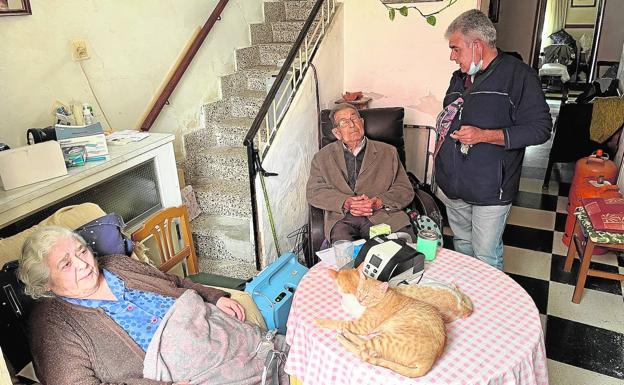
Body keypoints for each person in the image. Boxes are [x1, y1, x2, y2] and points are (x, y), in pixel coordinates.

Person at [18, 226, 287, 385]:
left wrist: (214, 296)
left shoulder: (116, 263)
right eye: (66, 264)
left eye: (82, 251)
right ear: (46, 284)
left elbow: (174, 281)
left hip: (214, 328)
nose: (84, 264)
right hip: (188, 369)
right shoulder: (52, 324)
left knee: (298, 352)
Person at [434, 9, 551, 270]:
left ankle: (491, 306)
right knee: (462, 245)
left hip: (490, 188)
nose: (452, 56)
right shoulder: (459, 78)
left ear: (477, 45)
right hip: (453, 186)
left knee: (486, 254)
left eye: (455, 49)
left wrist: (484, 136)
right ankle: (467, 297)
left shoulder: (518, 76)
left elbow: (541, 129)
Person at [306, 103, 415, 243]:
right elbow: (314, 191)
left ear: (362, 122)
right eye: (344, 122)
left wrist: (379, 202)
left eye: (355, 118)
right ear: (337, 133)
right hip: (343, 218)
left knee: (398, 255)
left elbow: (404, 189)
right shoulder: (322, 157)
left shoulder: (388, 152)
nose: (352, 125)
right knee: (345, 259)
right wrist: (345, 202)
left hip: (382, 215)